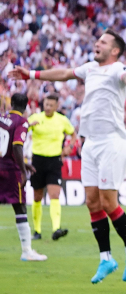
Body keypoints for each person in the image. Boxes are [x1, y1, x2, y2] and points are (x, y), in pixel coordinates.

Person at [11, 29, 126, 283]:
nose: (98, 43)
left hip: (111, 143)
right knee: (92, 202)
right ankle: (106, 258)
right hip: (90, 143)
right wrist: (32, 74)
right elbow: (63, 73)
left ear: (114, 51)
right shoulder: (90, 68)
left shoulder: (118, 69)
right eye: (98, 40)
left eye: (103, 42)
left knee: (108, 202)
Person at [0, 93, 47, 261]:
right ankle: (27, 251)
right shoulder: (22, 121)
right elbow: (17, 146)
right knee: (20, 207)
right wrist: (22, 169)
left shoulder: (2, 119)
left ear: (11, 103)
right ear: (26, 106)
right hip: (10, 171)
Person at [27, 93, 74, 241]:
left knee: (55, 194)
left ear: (56, 106)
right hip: (38, 160)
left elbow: (73, 134)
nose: (47, 107)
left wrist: (69, 148)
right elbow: (21, 130)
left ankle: (56, 229)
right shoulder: (35, 118)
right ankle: (37, 231)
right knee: (37, 196)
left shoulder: (62, 120)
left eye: (50, 105)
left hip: (54, 161)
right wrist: (28, 125)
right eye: (46, 104)